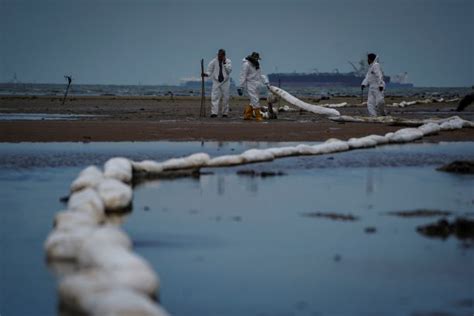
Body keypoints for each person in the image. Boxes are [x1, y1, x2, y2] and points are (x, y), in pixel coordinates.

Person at [238, 52, 270, 121]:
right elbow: (243, 76)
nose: (257, 60)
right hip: (250, 84)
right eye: (256, 59)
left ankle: (247, 115)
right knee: (255, 100)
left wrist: (266, 83)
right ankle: (258, 116)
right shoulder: (246, 64)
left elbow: (262, 74)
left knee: (254, 100)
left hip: (257, 84)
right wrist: (241, 87)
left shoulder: (257, 64)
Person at [202, 49, 232, 118]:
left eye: (221, 56)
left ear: (224, 55)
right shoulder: (213, 62)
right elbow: (209, 71)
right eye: (219, 55)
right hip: (216, 81)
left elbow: (229, 71)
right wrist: (206, 74)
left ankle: (225, 113)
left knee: (225, 98)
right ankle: (214, 113)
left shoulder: (228, 61)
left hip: (225, 82)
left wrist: (224, 63)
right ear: (217, 55)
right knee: (214, 97)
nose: (220, 57)